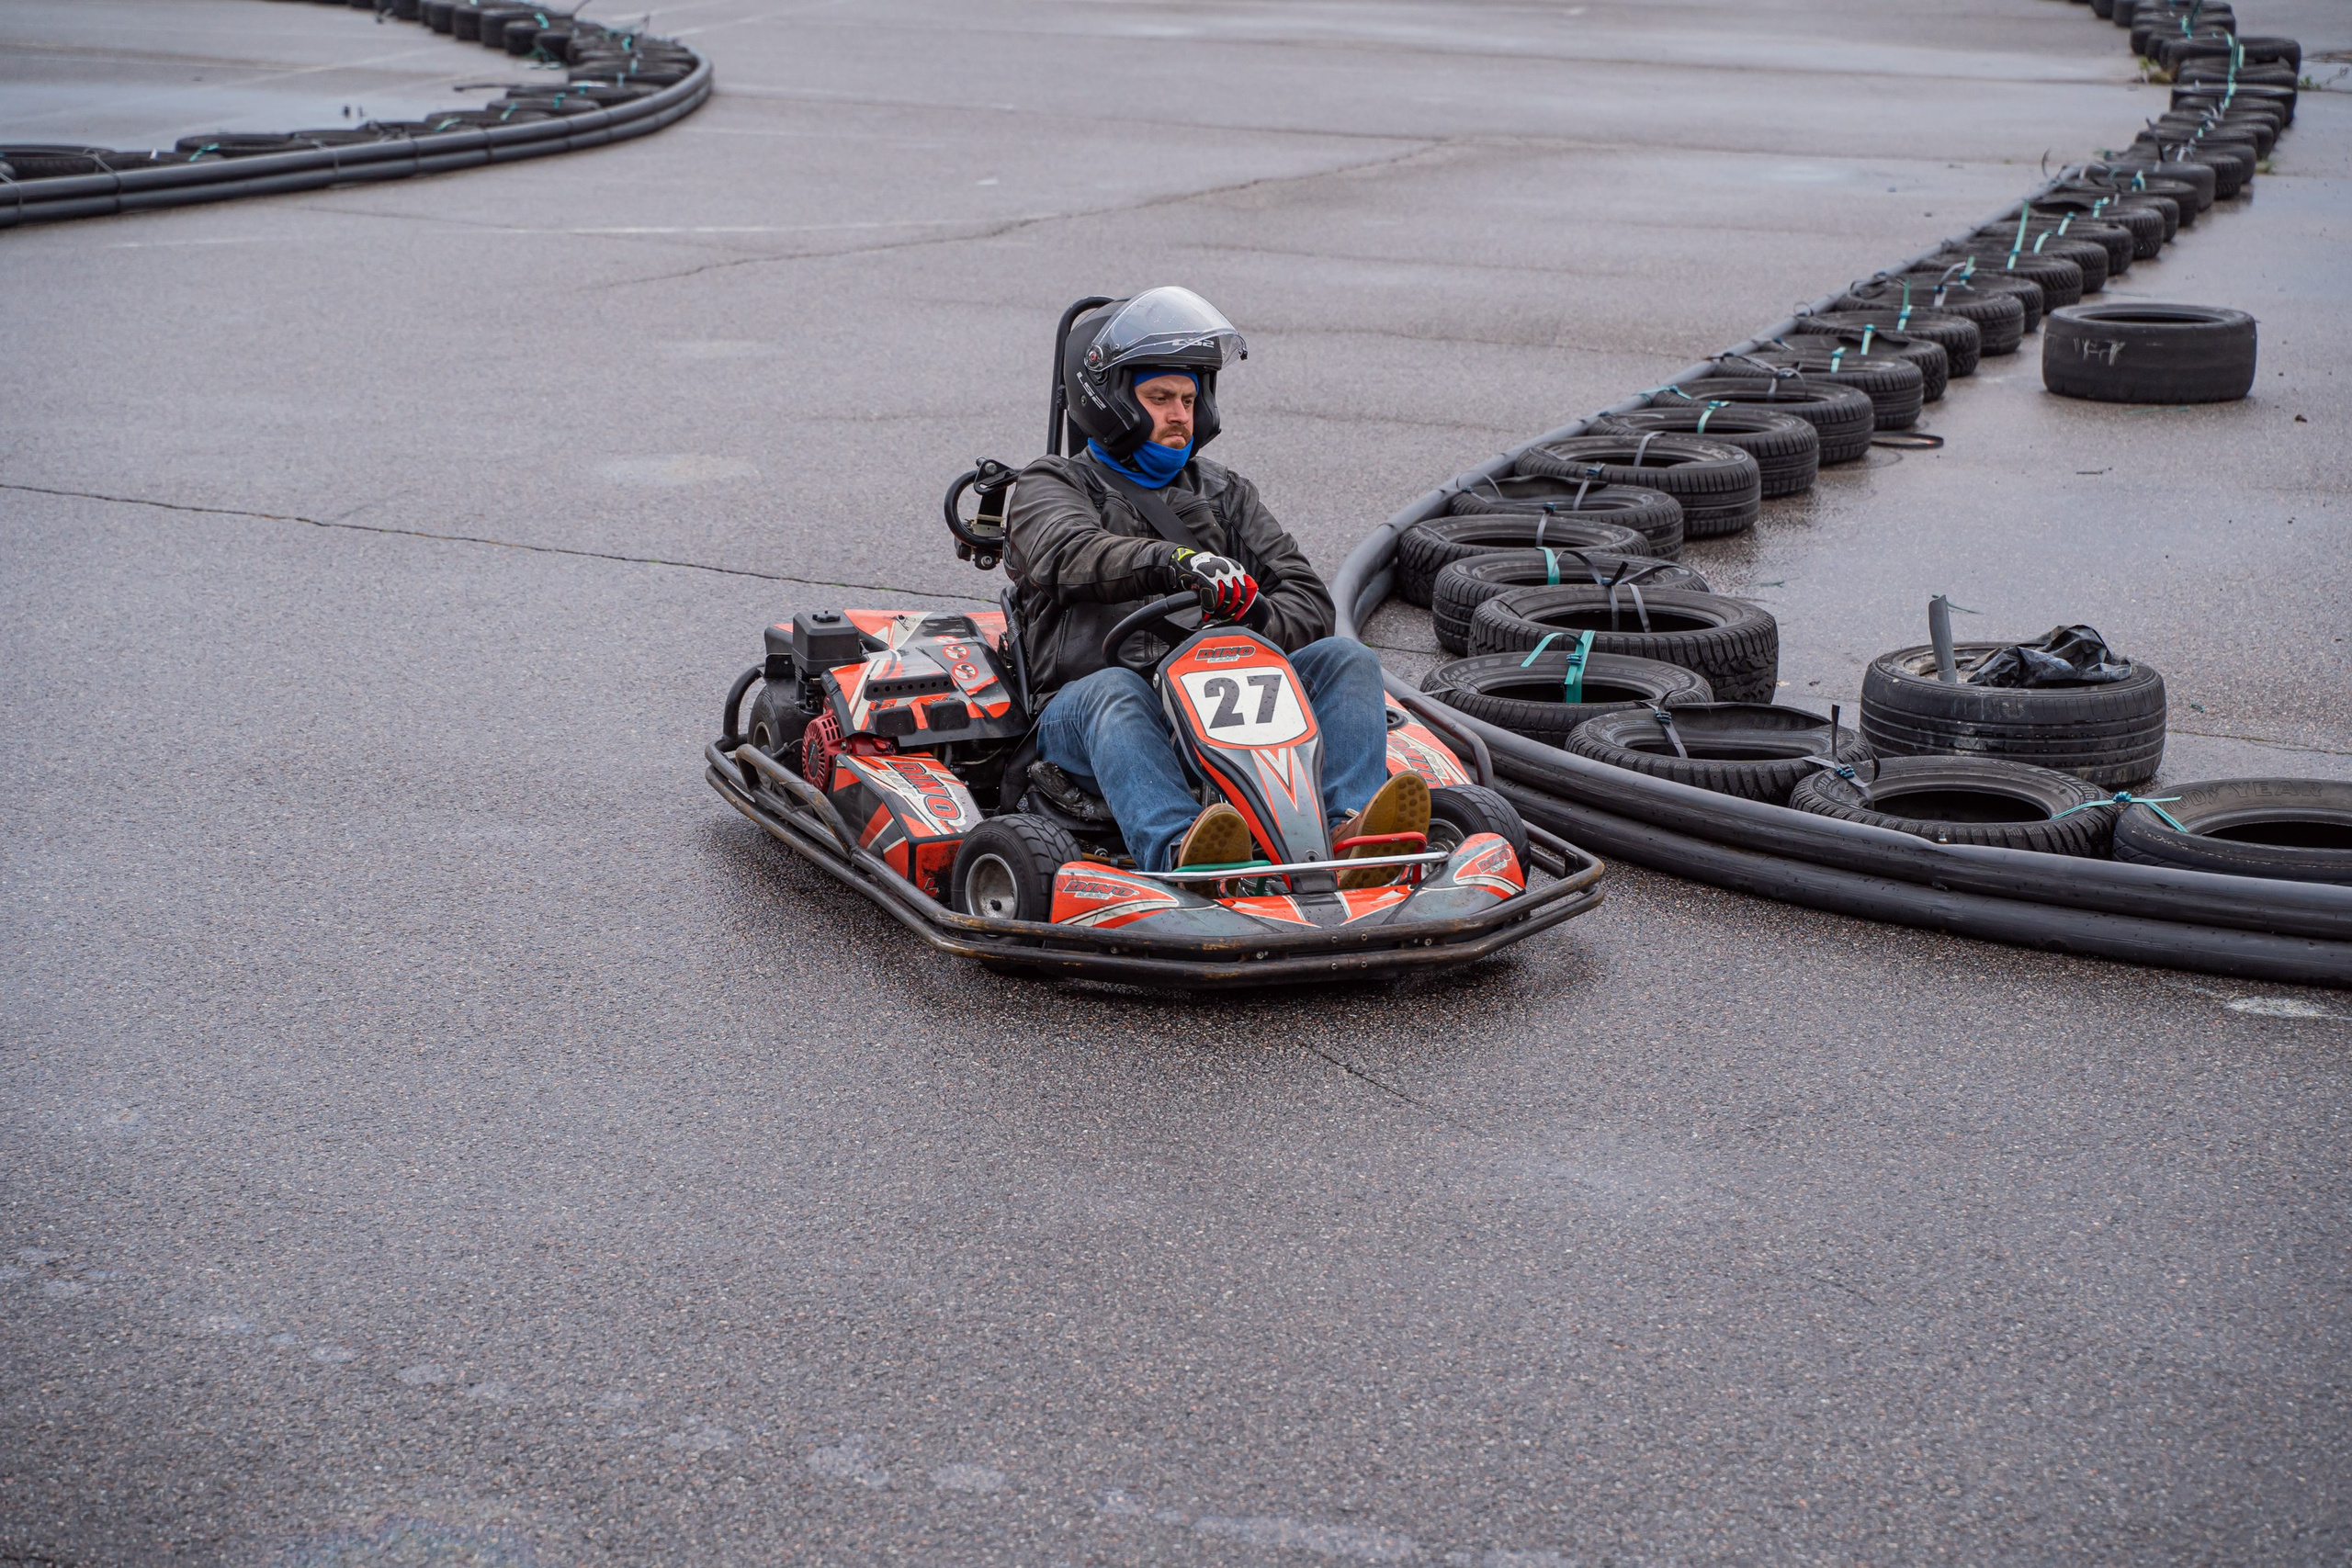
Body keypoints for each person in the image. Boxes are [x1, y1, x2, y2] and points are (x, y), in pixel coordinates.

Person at [1004, 286, 1427, 886]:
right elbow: (1066, 551)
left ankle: (1349, 831)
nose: (1180, 414)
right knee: (1116, 692)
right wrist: (1174, 563)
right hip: (1092, 714)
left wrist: (1253, 617)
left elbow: (1308, 596)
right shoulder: (1053, 483)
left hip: (1218, 702)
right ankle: (1185, 852)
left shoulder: (1225, 493)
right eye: (1159, 398)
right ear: (1110, 401)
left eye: (1188, 398)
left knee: (1344, 657)